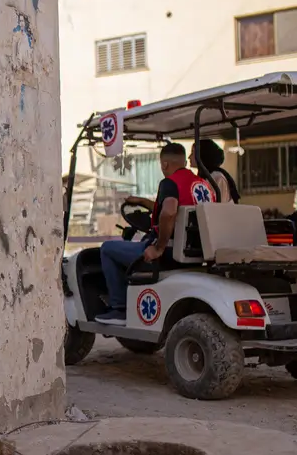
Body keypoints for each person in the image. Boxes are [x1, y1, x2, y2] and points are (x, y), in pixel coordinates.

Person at [96, 141, 216, 325]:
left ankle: (119, 308)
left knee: (107, 249)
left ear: (165, 164)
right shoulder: (204, 186)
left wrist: (158, 248)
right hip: (196, 252)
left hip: (168, 252)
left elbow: (169, 212)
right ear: (184, 162)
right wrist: (142, 202)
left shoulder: (170, 183)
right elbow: (175, 208)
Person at [190, 139, 240, 203]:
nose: (189, 157)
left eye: (192, 153)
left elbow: (218, 205)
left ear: (202, 154)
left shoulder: (217, 177)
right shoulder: (204, 177)